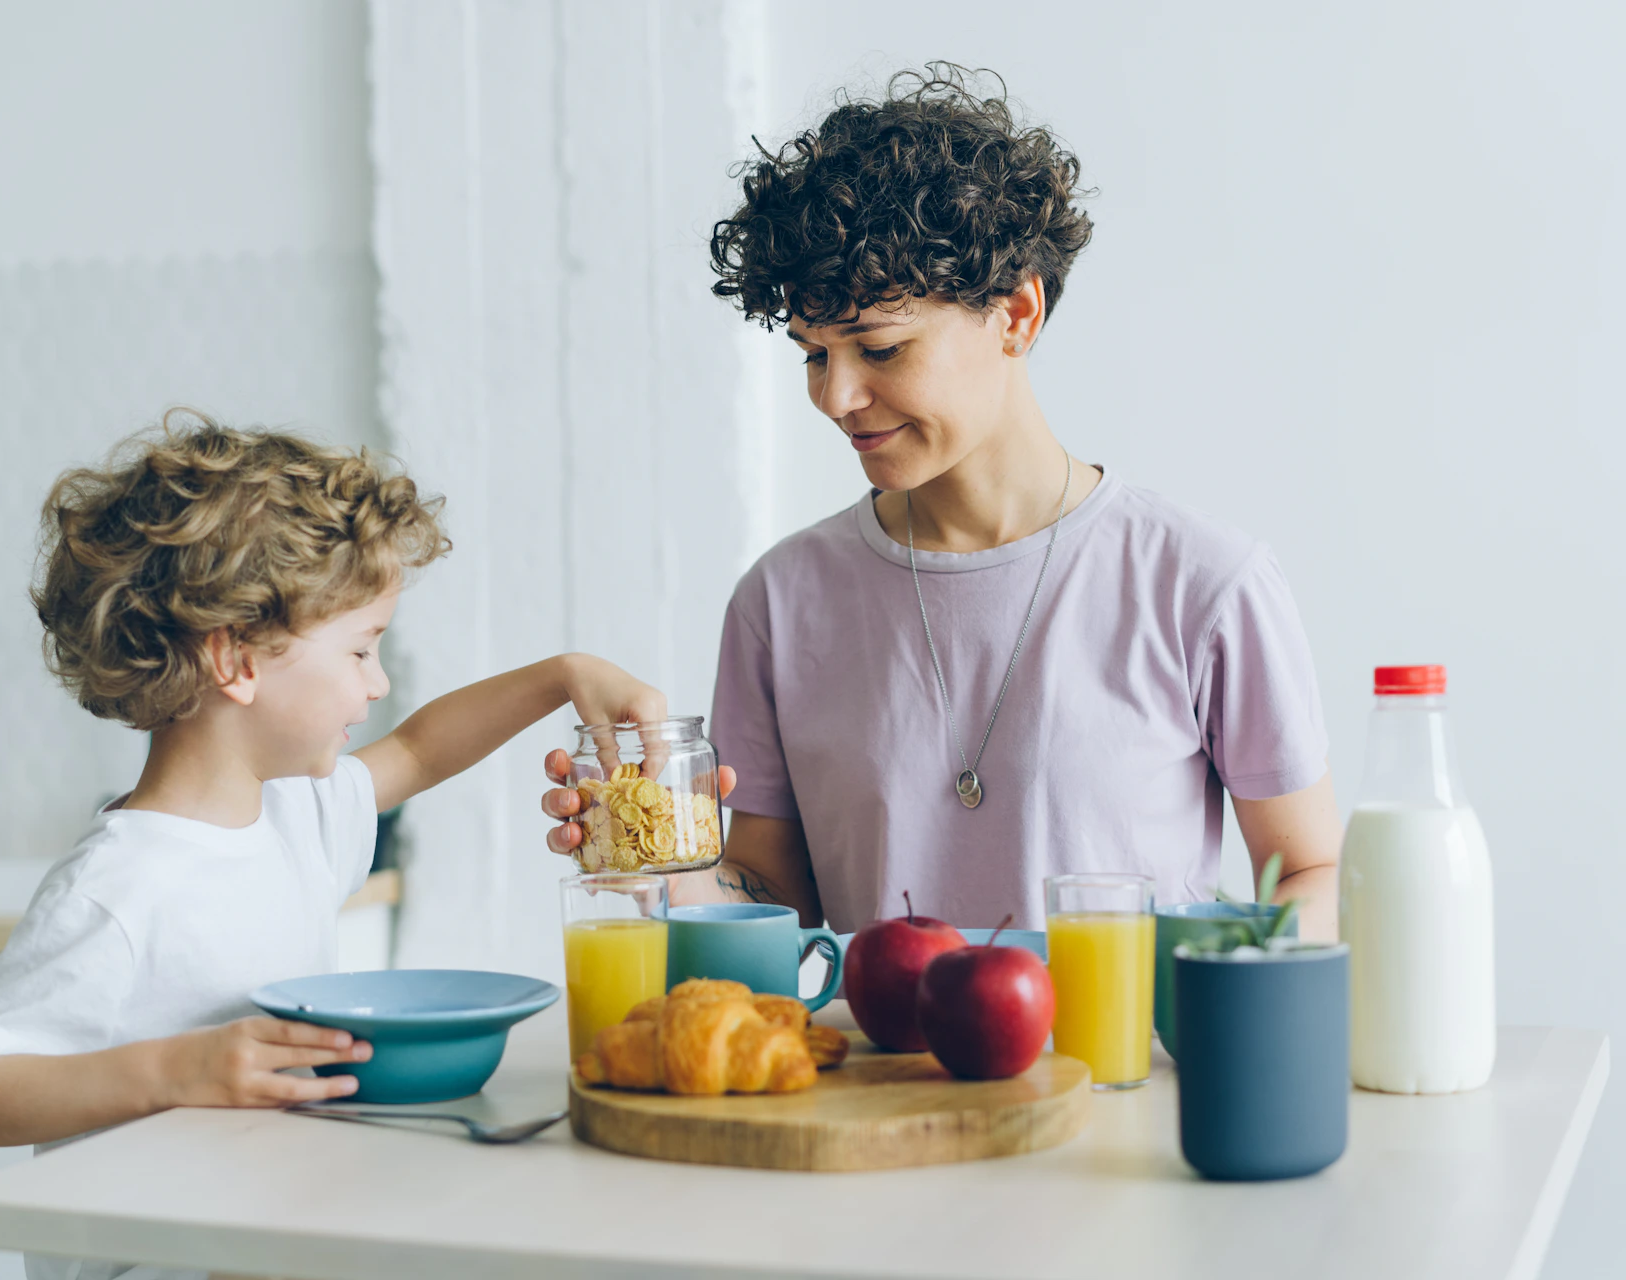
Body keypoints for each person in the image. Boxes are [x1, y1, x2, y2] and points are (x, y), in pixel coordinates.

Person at [544, 67, 1340, 939]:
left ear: (1017, 316)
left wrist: (1223, 1001)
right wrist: (661, 860)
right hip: (873, 1073)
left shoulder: (1203, 584)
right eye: (813, 354)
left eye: (877, 349)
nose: (835, 396)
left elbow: (1307, 868)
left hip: (1116, 1074)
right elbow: (776, 895)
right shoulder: (780, 602)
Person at [0, 413, 662, 1279]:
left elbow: (419, 750)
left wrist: (561, 675)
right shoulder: (119, 887)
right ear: (235, 658)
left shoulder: (294, 815)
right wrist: (176, 1068)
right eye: (360, 649)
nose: (376, 683)